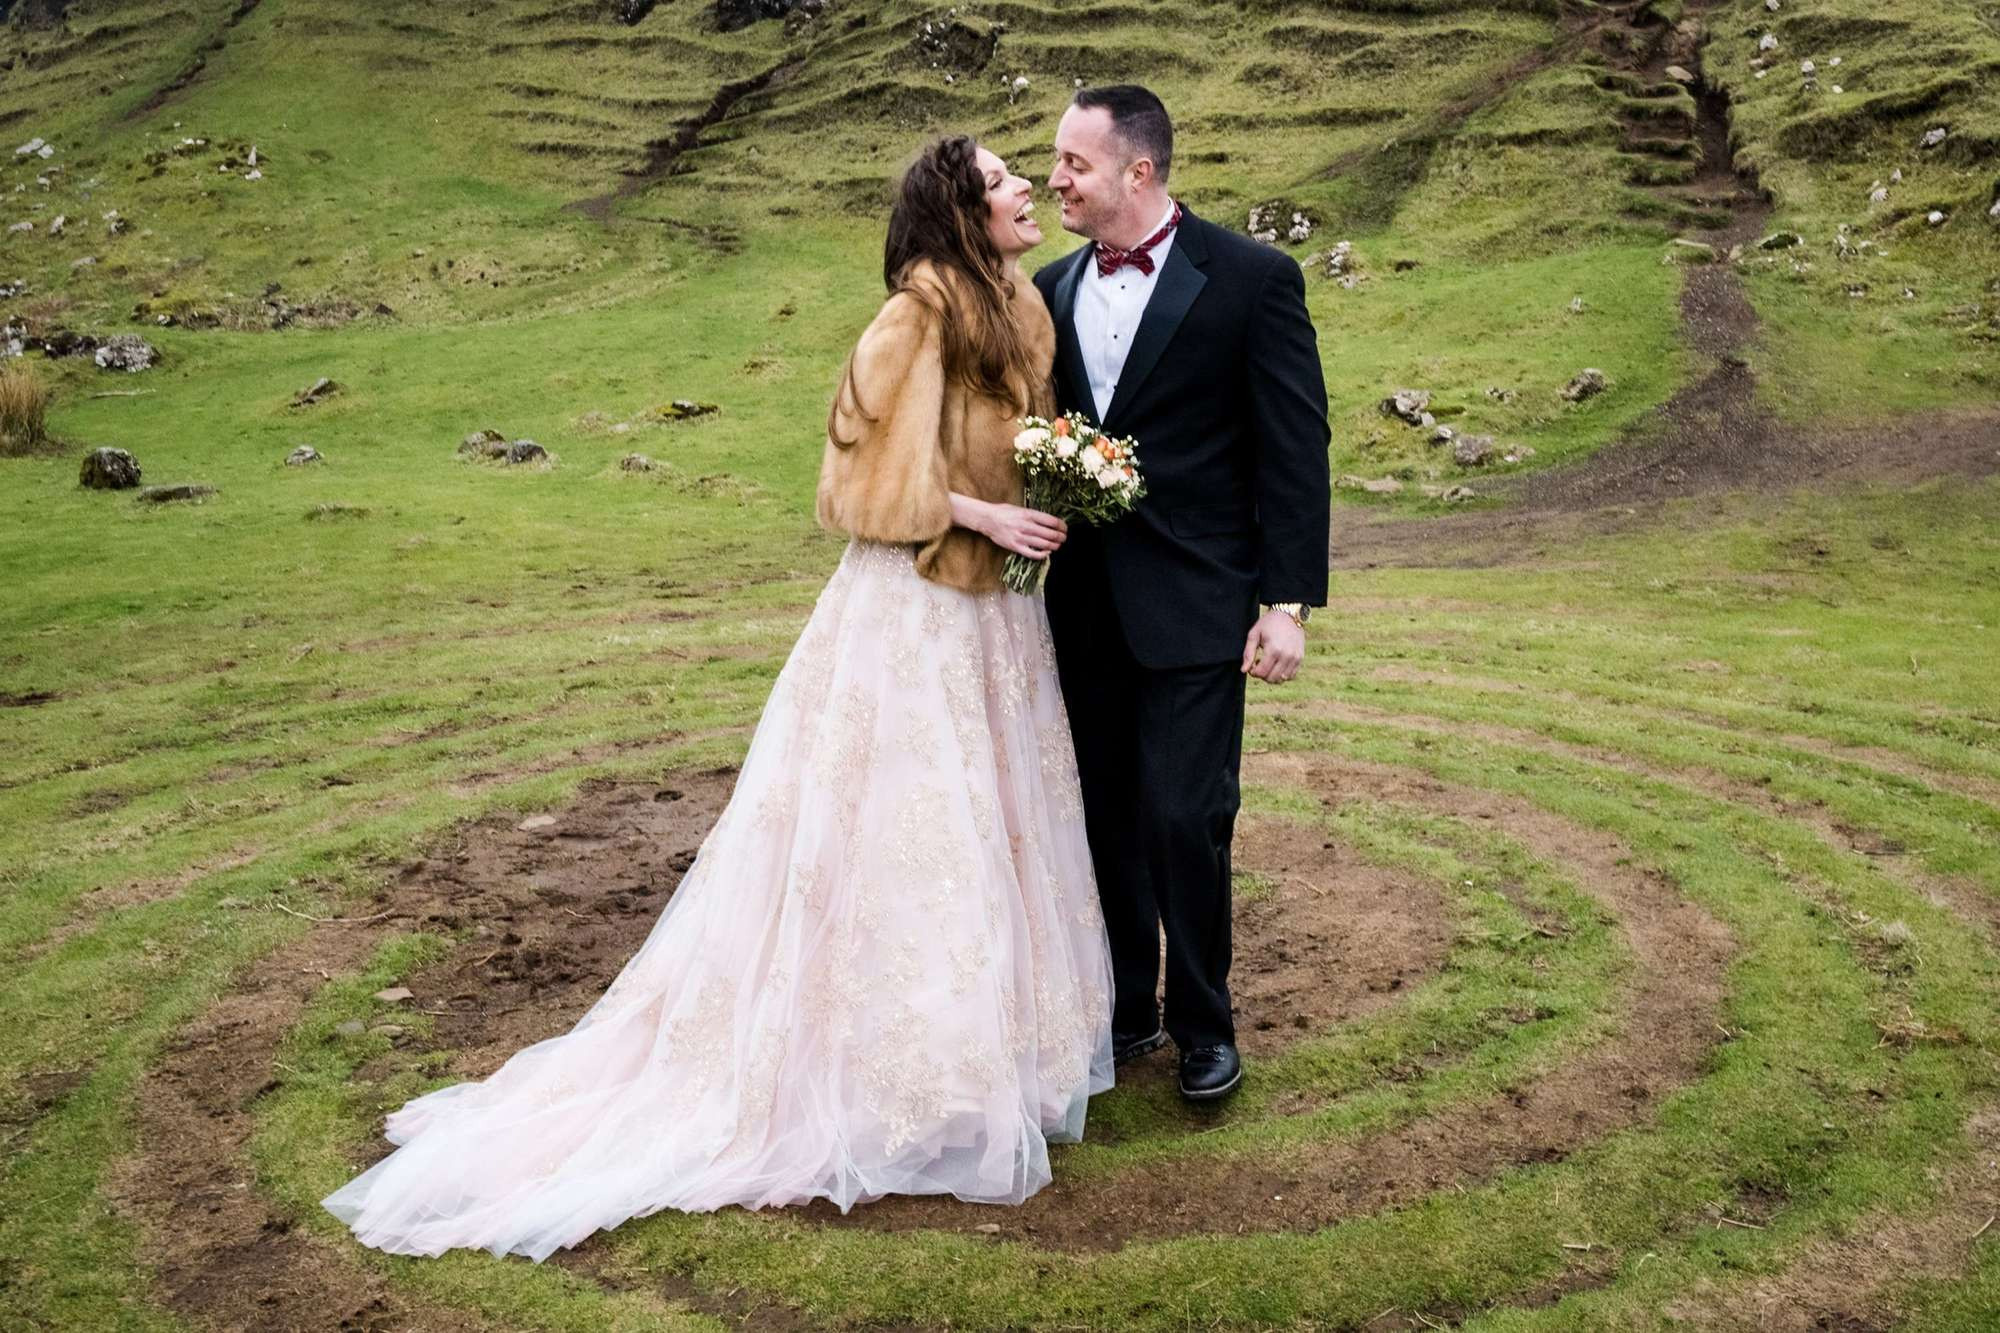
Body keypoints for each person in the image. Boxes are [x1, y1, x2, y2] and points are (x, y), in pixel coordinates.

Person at [321, 136, 1114, 1261]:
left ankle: (991, 1054)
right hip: (915, 615)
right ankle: (878, 1069)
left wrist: (1055, 485)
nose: (1026, 188)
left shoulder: (1020, 308)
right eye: (1002, 179)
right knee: (905, 828)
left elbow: (1009, 441)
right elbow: (851, 485)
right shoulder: (914, 317)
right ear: (960, 207)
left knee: (995, 819)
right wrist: (984, 517)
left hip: (999, 617)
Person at [1033, 85, 1331, 1102]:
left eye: (1072, 162)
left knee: (1185, 813)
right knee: (1103, 816)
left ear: (1138, 171)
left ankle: (1206, 1022)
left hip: (1202, 604)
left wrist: (1285, 602)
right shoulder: (1046, 287)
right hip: (1078, 607)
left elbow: (1294, 447)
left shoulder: (1251, 280)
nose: (1055, 179)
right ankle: (1125, 1013)